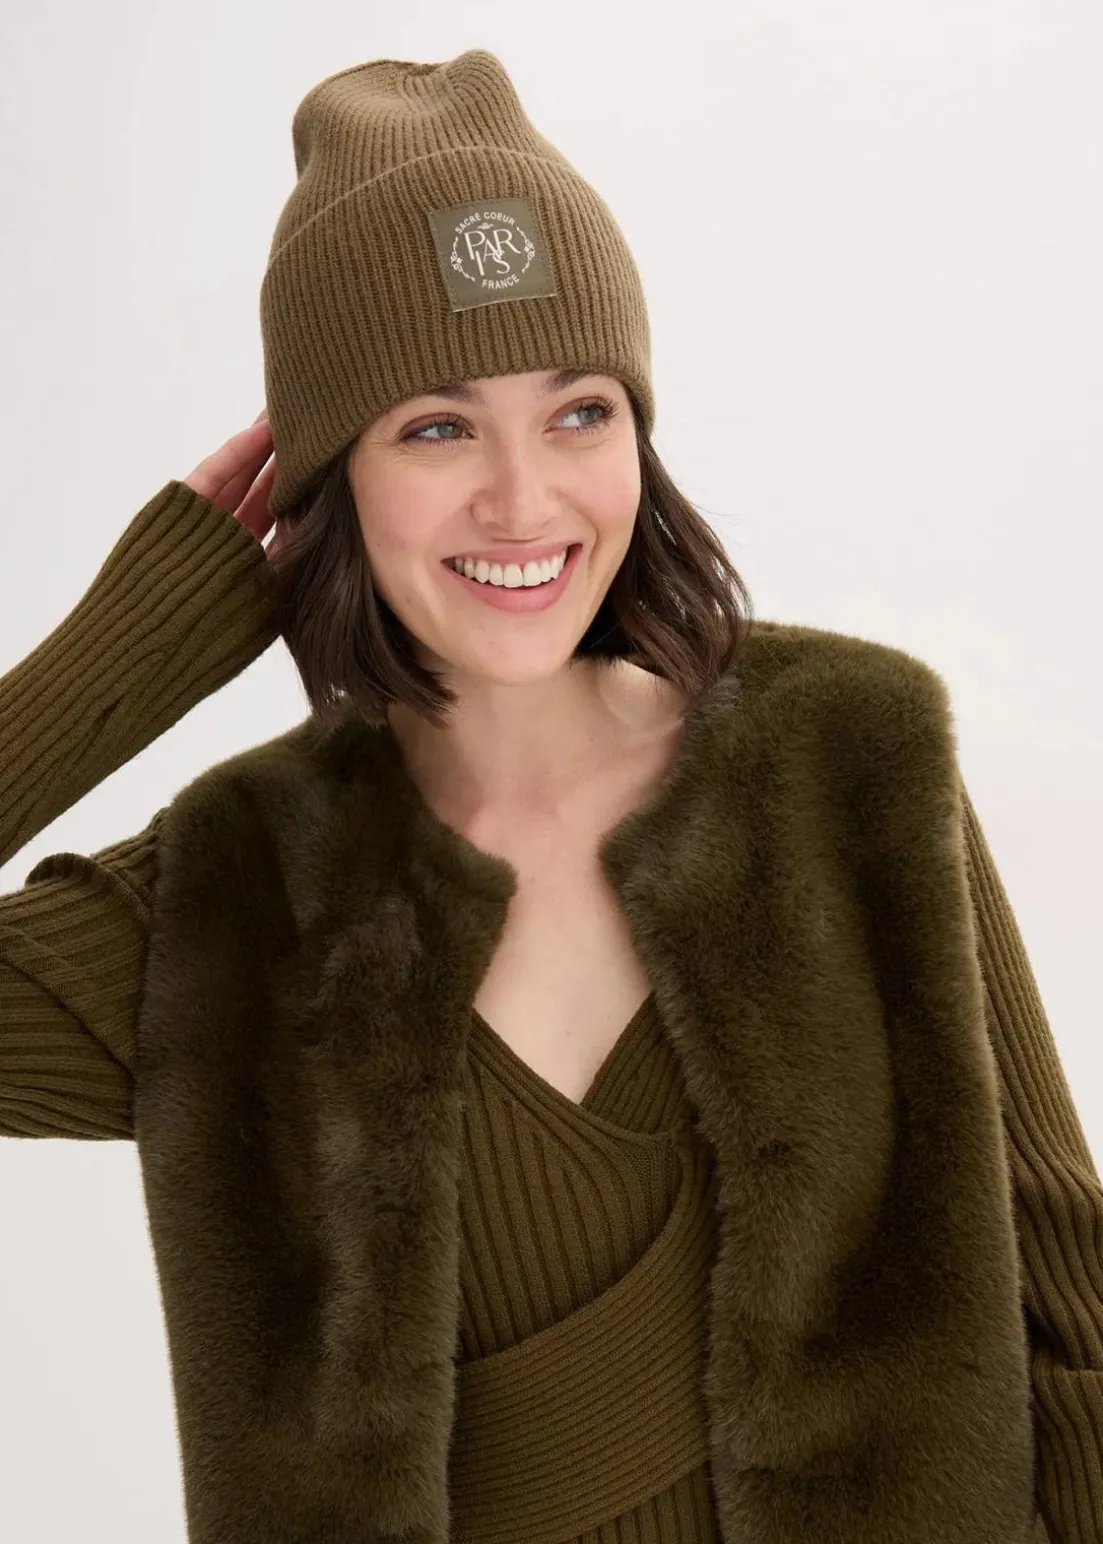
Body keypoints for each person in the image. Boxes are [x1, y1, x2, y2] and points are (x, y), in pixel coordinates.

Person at [1, 47, 1099, 1544]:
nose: (524, 501)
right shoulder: (237, 891)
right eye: (435, 426)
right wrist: (139, 644)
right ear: (329, 479)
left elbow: (1073, 1314)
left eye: (579, 412)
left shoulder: (848, 760)